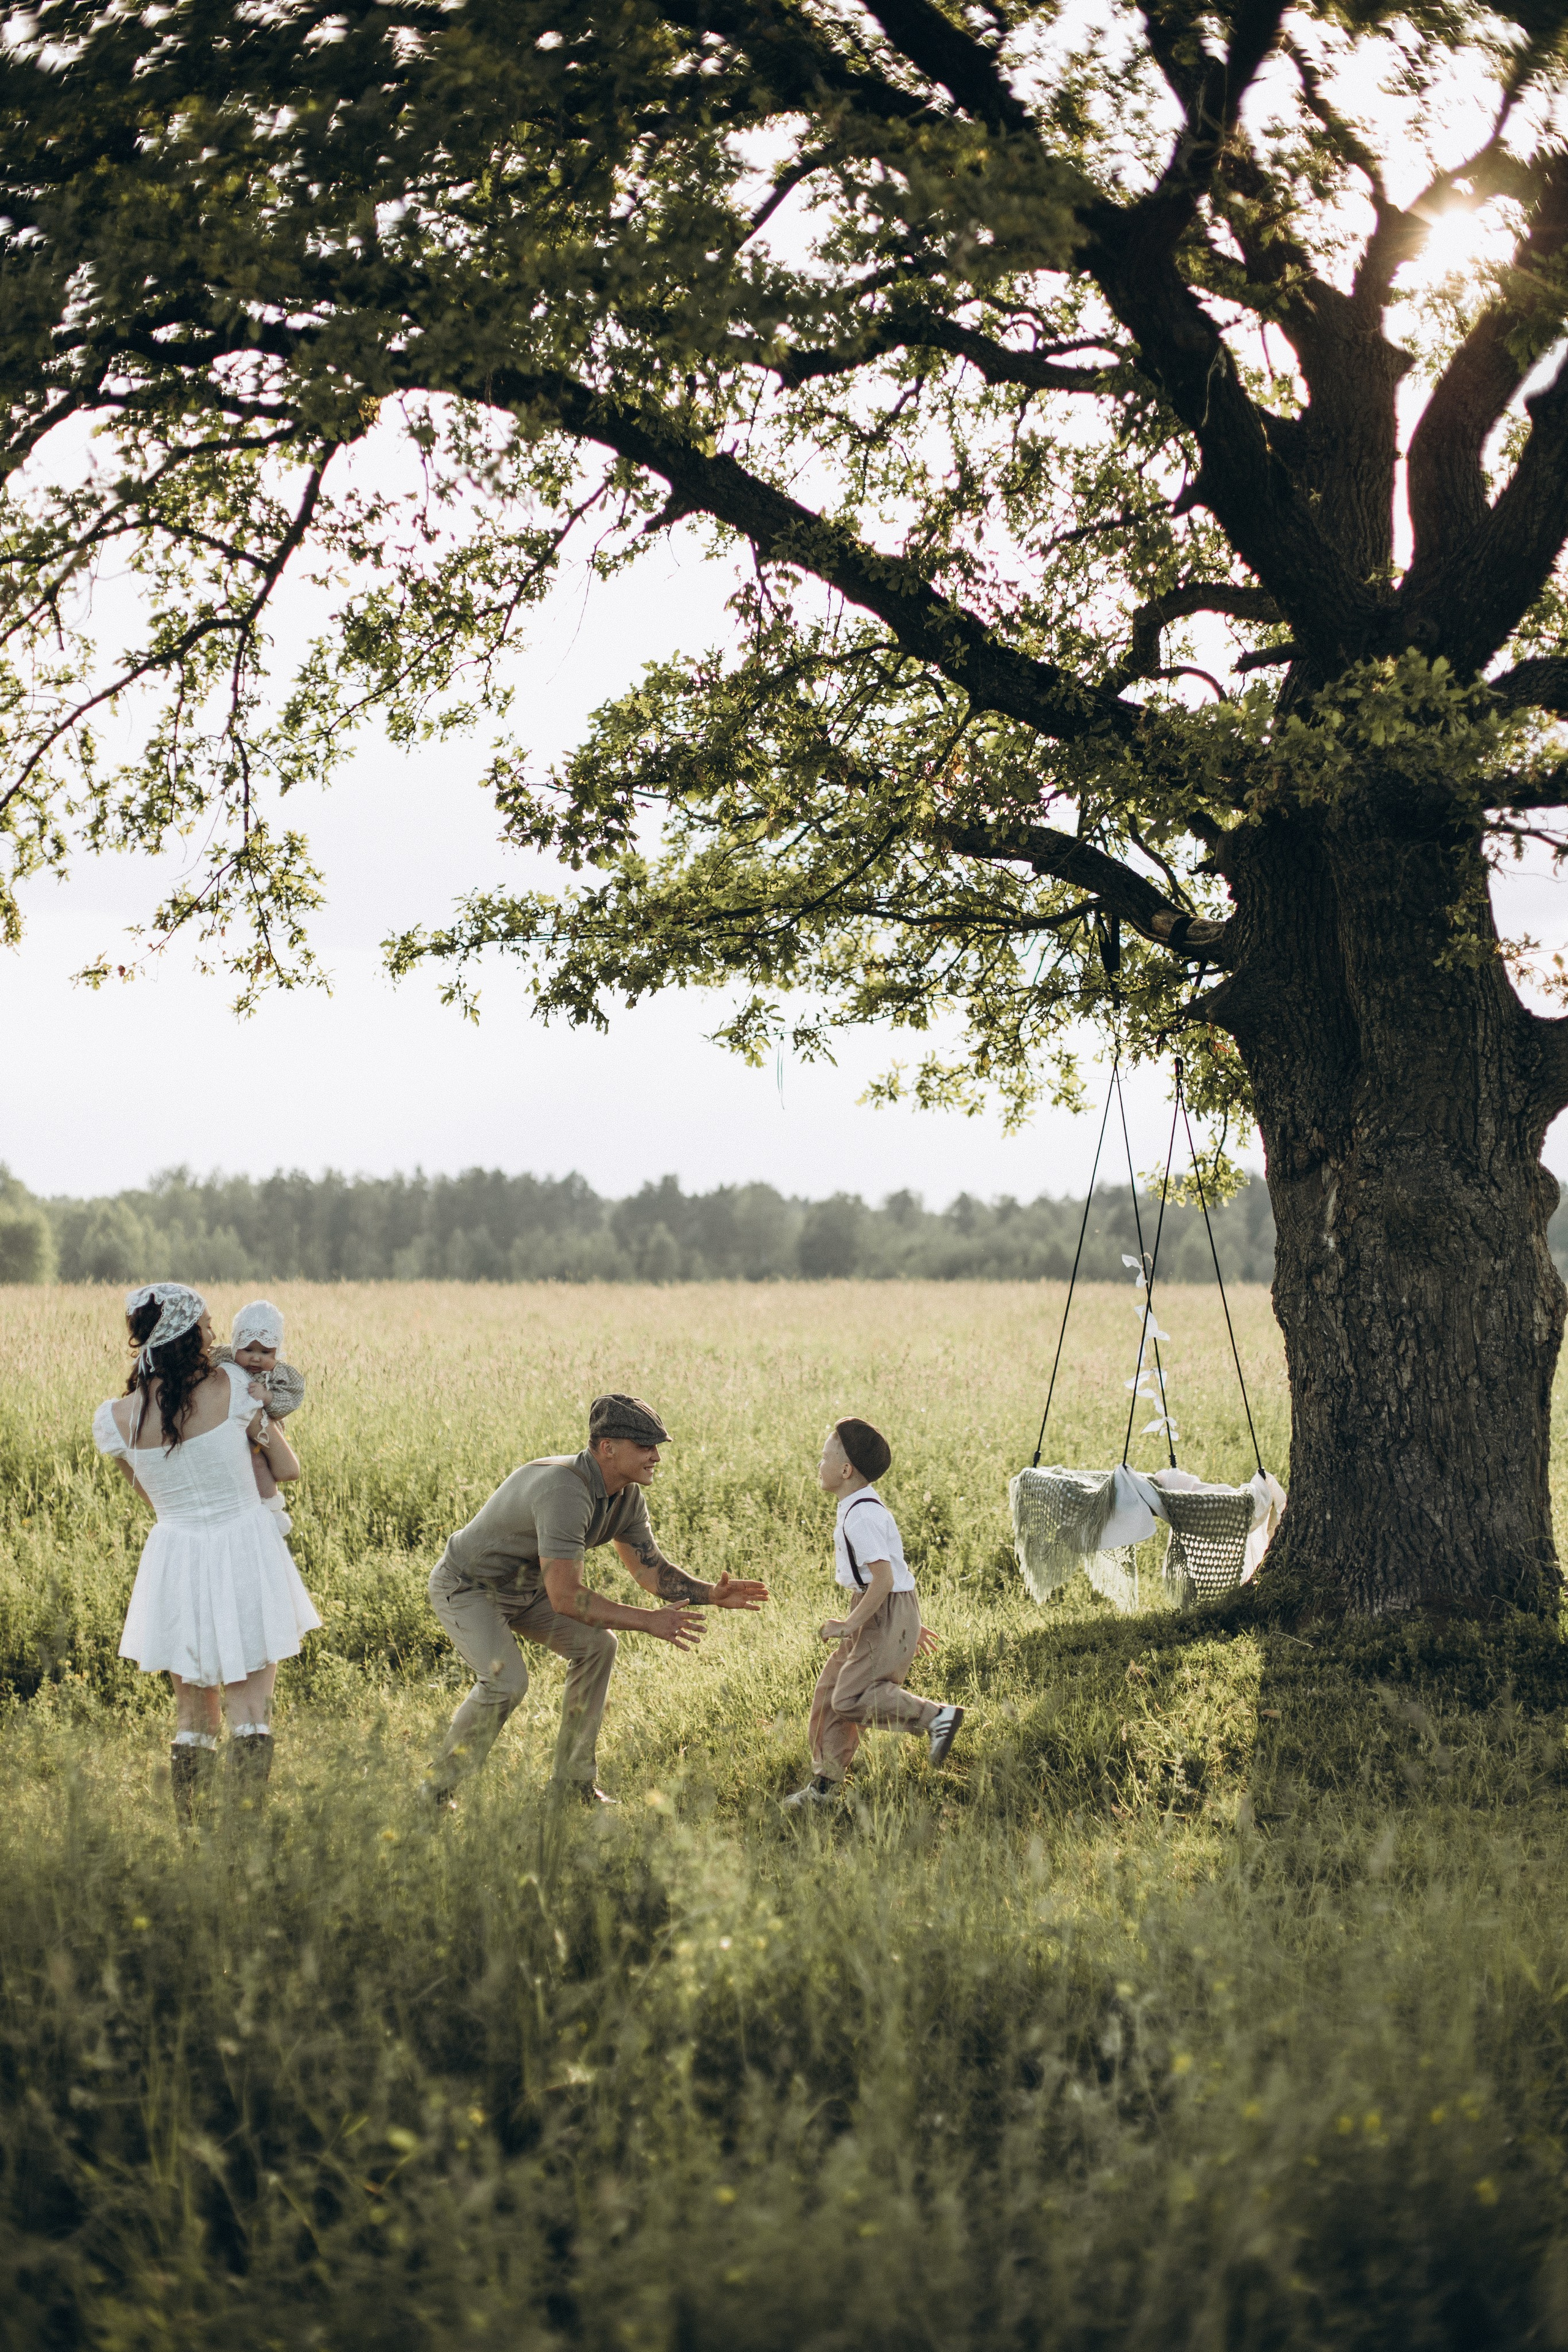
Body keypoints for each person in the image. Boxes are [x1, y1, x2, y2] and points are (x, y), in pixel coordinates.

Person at [424, 1392, 768, 1807]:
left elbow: (650, 1571)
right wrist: (648, 1621)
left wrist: (711, 1594)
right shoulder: (564, 1492)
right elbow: (567, 1598)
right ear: (608, 1447)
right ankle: (436, 1792)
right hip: (470, 1587)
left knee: (597, 1646)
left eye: (657, 1446)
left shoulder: (626, 1497)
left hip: (528, 1590)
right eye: (645, 1446)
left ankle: (572, 1784)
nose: (656, 1456)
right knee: (505, 1682)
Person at [92, 1283, 320, 1824]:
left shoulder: (115, 1420)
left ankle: (194, 1836)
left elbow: (151, 1499)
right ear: (186, 1335)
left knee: (194, 1719)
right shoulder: (235, 1387)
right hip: (244, 1548)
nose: (215, 1334)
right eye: (207, 1326)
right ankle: (243, 1835)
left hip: (176, 1560)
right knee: (251, 1712)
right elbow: (285, 1468)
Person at [783, 1416, 963, 1810]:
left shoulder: (861, 1516)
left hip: (880, 1610)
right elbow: (891, 1573)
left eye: (824, 1457)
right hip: (883, 1610)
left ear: (846, 1470)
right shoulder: (858, 1506)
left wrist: (853, 1625)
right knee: (831, 1693)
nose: (819, 1464)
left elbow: (884, 1579)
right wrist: (907, 1623)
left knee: (850, 1698)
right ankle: (824, 1789)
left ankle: (936, 1718)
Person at [212, 1297, 306, 1528]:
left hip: (260, 1433)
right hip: (230, 1428)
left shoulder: (277, 1375)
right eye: (248, 1350)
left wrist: (267, 1397)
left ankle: (272, 1509)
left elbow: (290, 1400)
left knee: (258, 1464)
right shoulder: (224, 1359)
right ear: (235, 1345)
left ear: (277, 1352)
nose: (256, 1358)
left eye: (265, 1352)